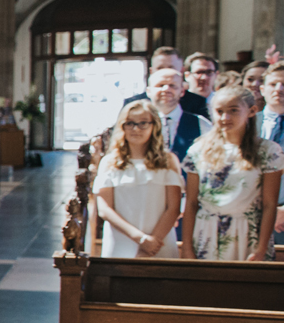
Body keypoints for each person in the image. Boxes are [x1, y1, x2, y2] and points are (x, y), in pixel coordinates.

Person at [180, 85, 283, 262]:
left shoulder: (267, 151)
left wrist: (261, 248)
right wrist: (187, 248)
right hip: (207, 232)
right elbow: (191, 203)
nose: (225, 117)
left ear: (251, 111)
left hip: (248, 232)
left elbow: (269, 204)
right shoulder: (198, 150)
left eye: (233, 110)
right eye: (219, 111)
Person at [93, 99, 183, 258]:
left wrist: (153, 241)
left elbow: (173, 207)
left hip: (159, 242)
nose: (136, 129)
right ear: (122, 126)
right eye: (130, 123)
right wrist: (140, 239)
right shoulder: (110, 161)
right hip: (122, 240)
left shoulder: (167, 160)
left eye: (143, 123)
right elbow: (105, 209)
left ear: (154, 126)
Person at [125, 46, 209, 118]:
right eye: (160, 68)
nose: (165, 71)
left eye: (171, 68)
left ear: (181, 70)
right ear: (151, 71)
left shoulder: (196, 103)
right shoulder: (133, 103)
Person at [145, 68, 205, 164]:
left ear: (182, 91)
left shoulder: (202, 124)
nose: (166, 89)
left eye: (172, 86)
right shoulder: (136, 124)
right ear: (148, 91)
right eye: (160, 85)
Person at [262, 65, 284, 247]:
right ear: (262, 89)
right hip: (250, 213)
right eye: (273, 84)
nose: (279, 89)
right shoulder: (246, 123)